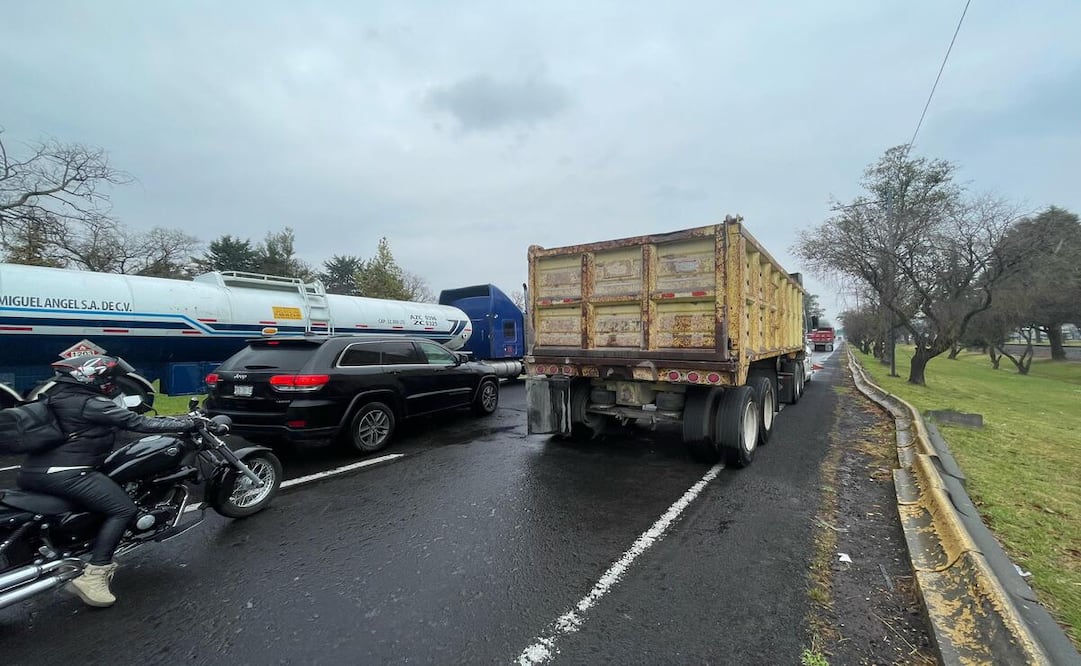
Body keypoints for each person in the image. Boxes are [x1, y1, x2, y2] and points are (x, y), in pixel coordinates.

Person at [17, 355, 201, 608]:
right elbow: (138, 422)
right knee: (123, 509)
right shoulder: (88, 402)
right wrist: (188, 423)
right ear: (91, 376)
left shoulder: (57, 397)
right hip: (68, 472)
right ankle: (94, 575)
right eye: (109, 378)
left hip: (33, 472)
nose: (112, 383)